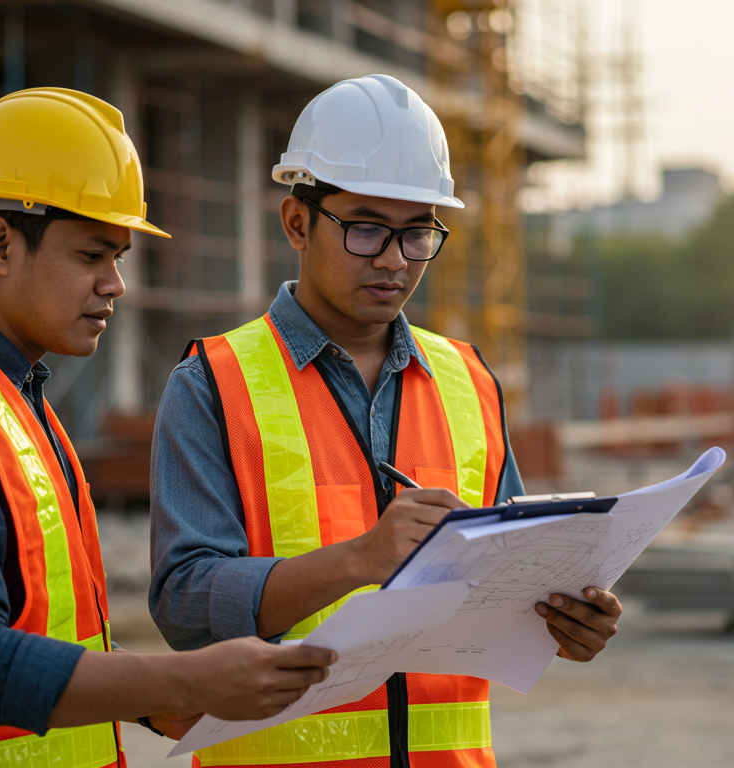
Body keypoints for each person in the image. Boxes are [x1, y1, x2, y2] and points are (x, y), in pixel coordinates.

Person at [0, 88, 334, 768]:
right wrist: (185, 677)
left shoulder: (10, 397)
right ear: (1, 243)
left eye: (118, 256)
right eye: (93, 254)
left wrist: (146, 697)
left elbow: (34, 628)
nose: (116, 283)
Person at [150, 74, 621, 768]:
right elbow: (186, 607)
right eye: (367, 228)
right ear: (297, 222)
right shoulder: (213, 385)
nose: (395, 260)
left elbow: (515, 578)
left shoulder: (469, 381)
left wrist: (569, 618)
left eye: (418, 233)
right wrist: (358, 561)